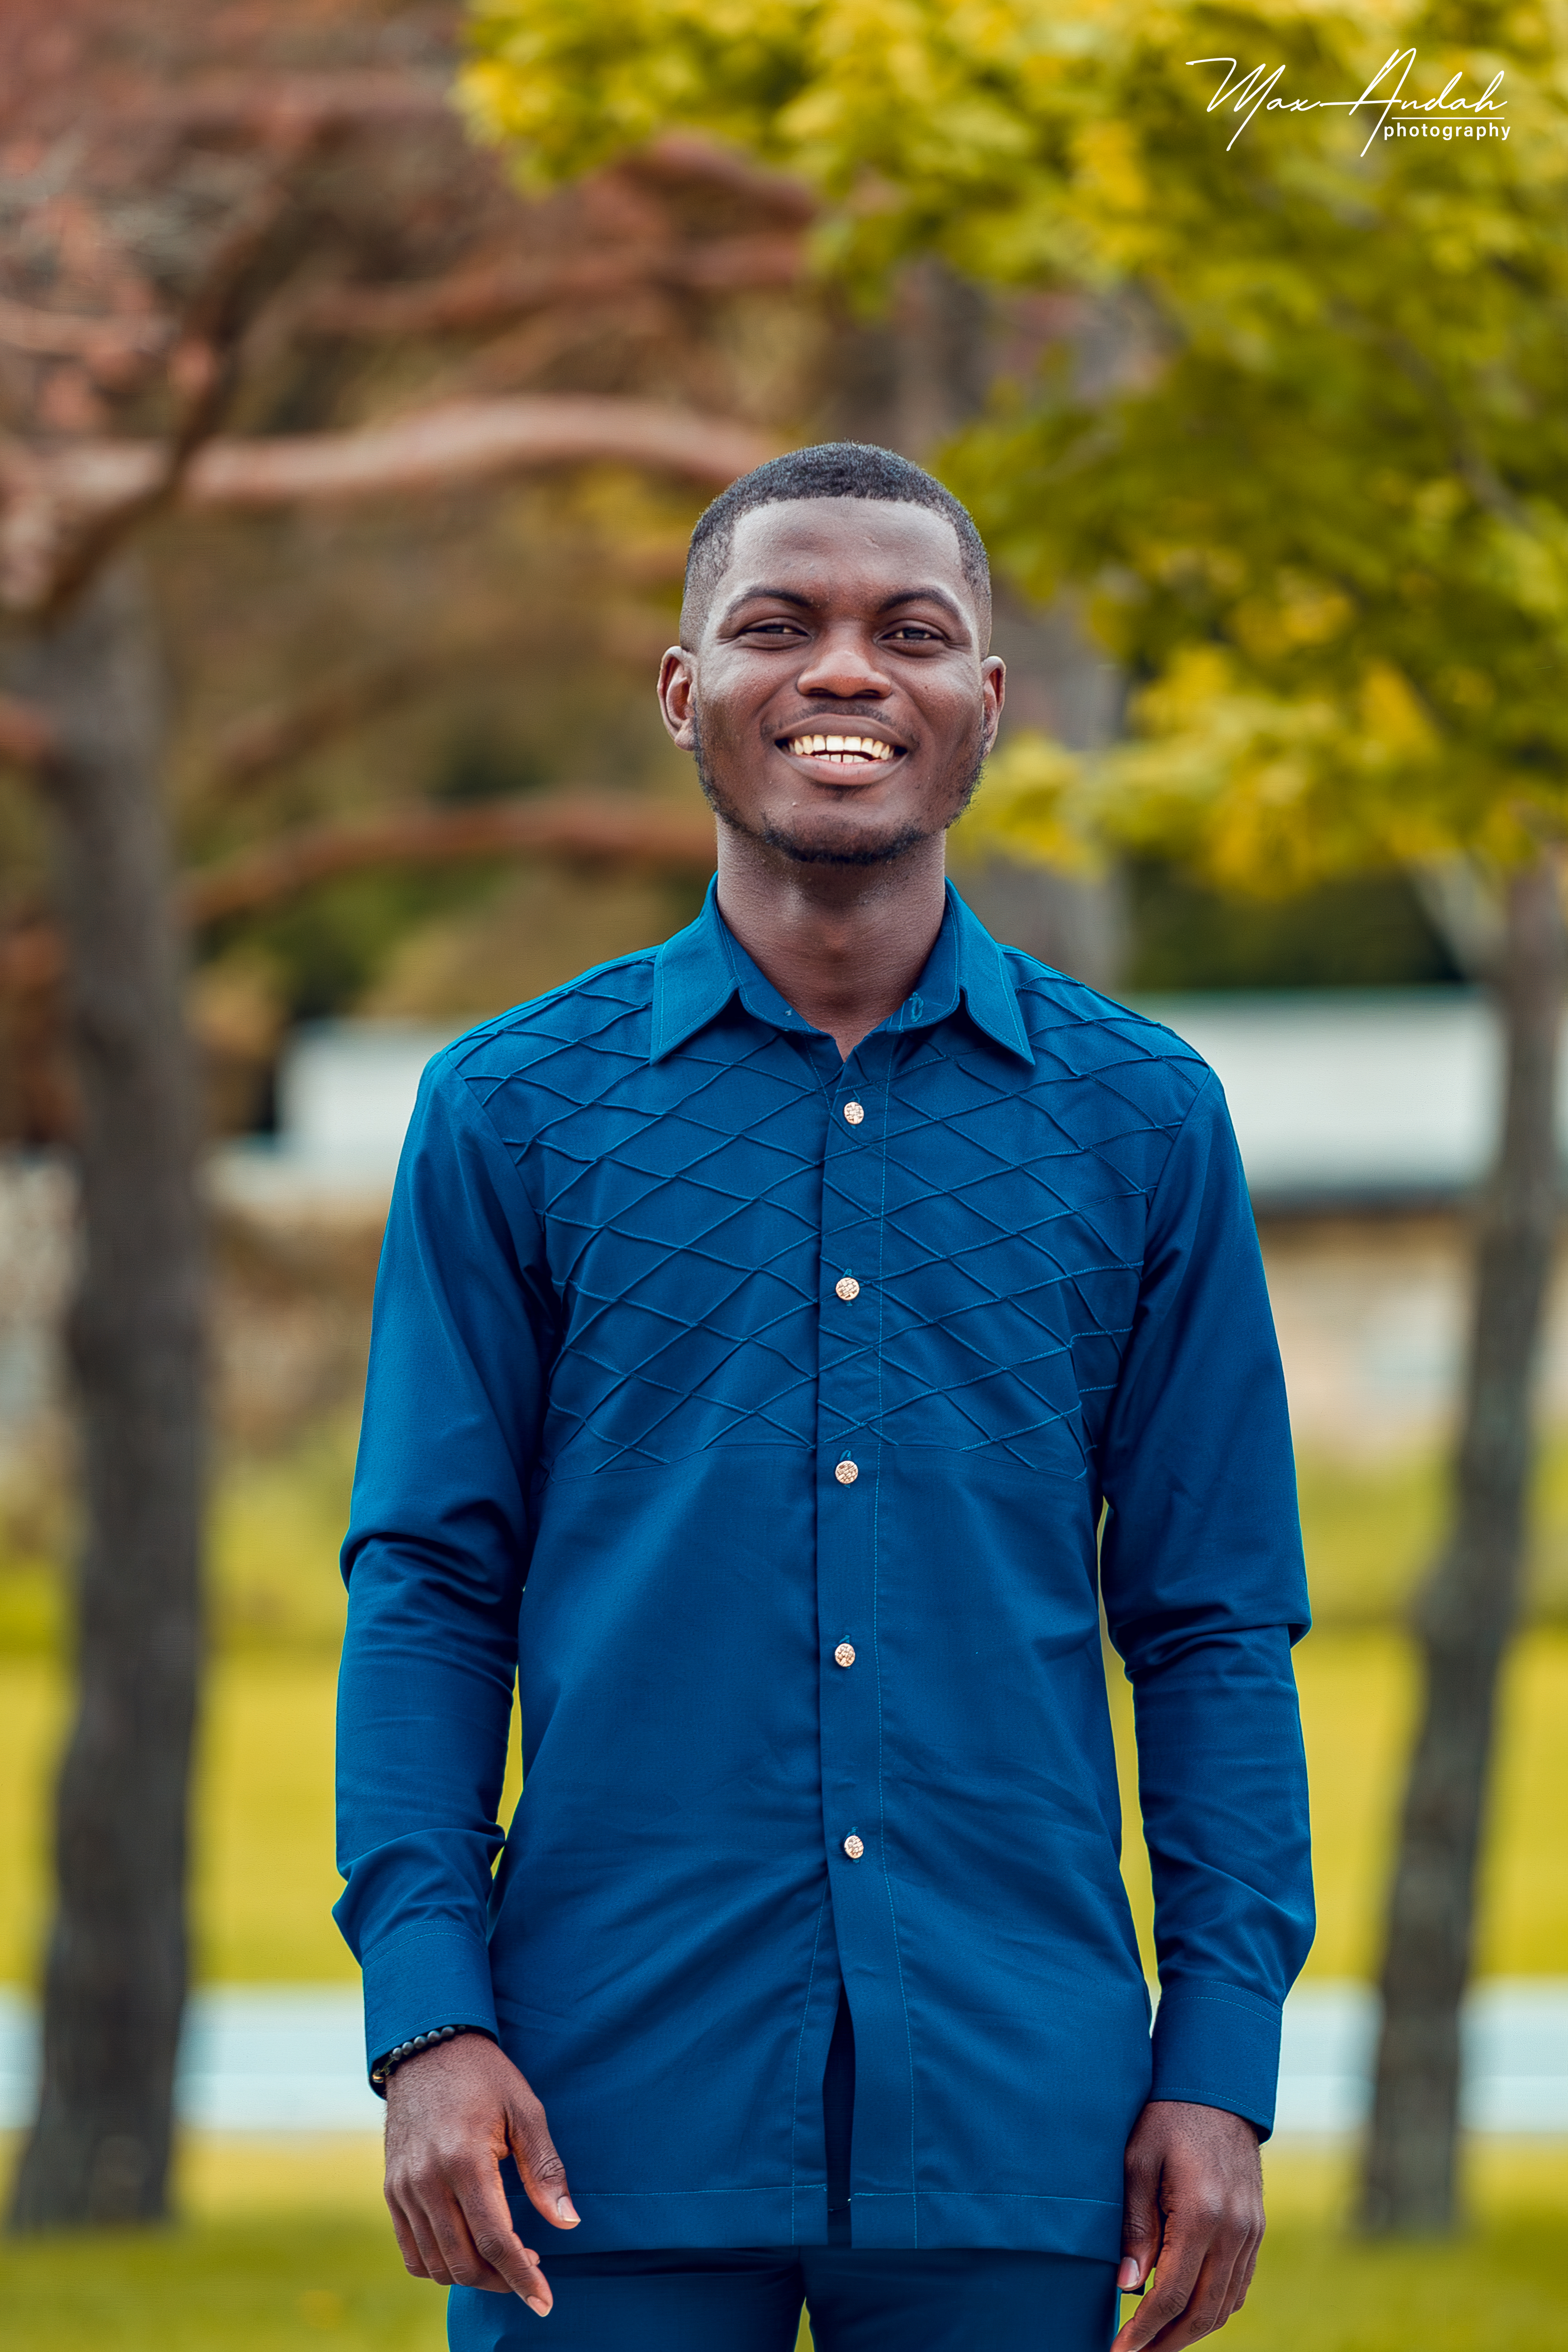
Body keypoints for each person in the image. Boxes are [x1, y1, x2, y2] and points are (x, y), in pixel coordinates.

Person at [334, 443, 1313, 2352]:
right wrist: (430, 2024)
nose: (848, 671)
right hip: (590, 2119)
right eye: (779, 625)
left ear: (988, 706)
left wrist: (1221, 2060)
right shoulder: (512, 1112)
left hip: (1029, 2116)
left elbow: (1212, 1629)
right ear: (687, 689)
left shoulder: (1142, 1119)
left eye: (912, 631)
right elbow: (428, 1591)